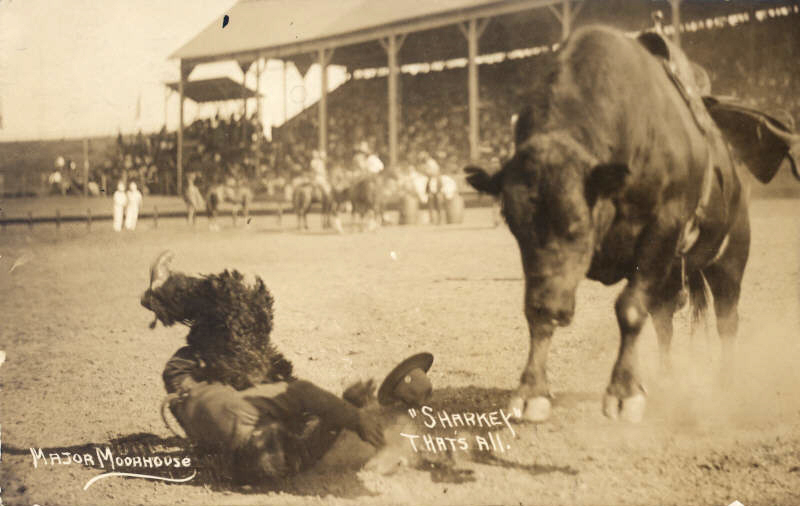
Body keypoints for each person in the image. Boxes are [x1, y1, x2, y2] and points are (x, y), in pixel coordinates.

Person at [140, 251, 386, 484]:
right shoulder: (281, 459)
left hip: (193, 375)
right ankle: (165, 299)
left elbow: (304, 394)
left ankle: (164, 291)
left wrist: (355, 418)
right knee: (271, 377)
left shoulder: (245, 413)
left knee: (240, 306)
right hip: (194, 393)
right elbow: (307, 448)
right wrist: (350, 404)